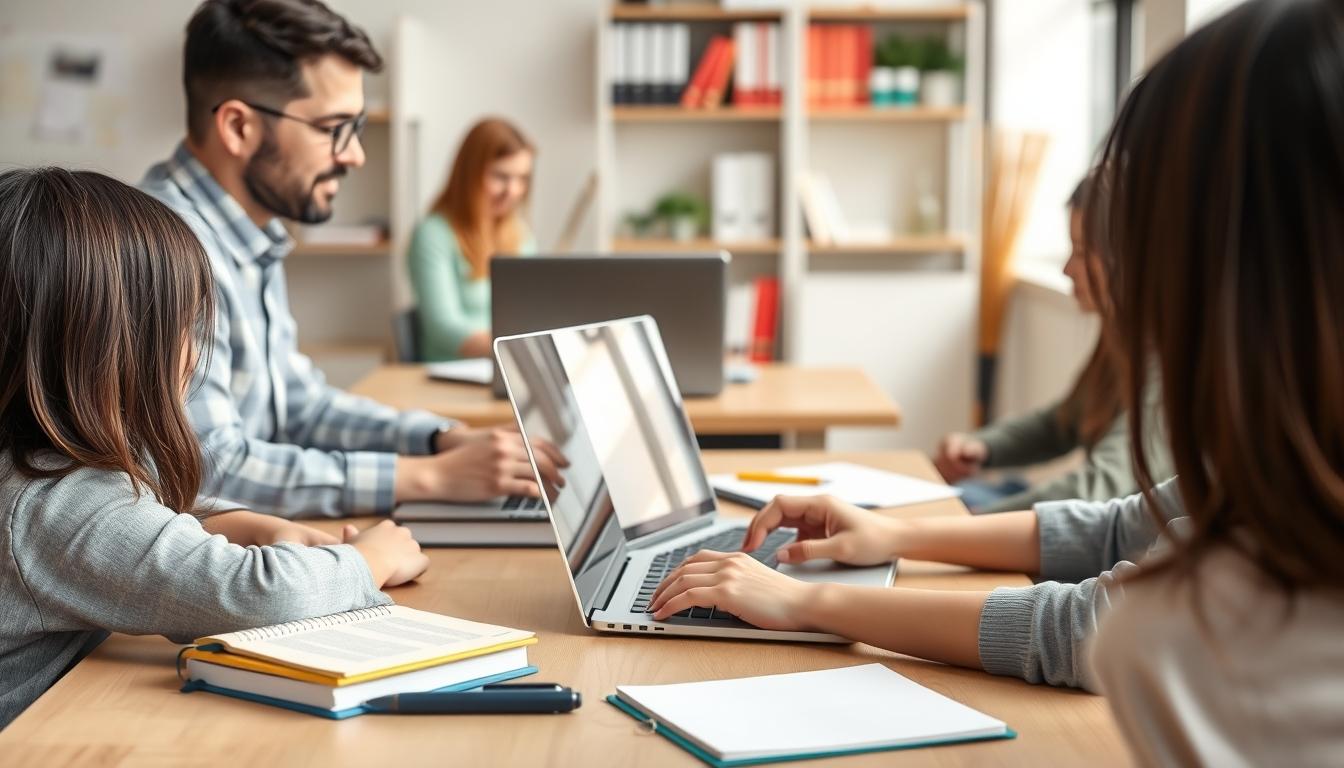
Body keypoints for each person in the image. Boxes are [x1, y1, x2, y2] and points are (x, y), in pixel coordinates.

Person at [655, 1, 1344, 762]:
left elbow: (1090, 623)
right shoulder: (1288, 456)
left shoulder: (1217, 598)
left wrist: (808, 601)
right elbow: (1124, 527)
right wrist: (893, 533)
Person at [0, 168, 428, 730]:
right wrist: (372, 558)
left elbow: (138, 523)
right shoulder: (59, 504)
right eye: (185, 326)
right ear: (118, 348)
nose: (195, 351)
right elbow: (260, 597)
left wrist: (243, 523)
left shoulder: (36, 464)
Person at [140, 0, 563, 518]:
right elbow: (206, 467)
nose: (355, 155)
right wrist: (425, 476)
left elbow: (301, 408)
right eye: (333, 127)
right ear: (239, 128)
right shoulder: (159, 249)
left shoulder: (253, 236)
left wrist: (438, 440)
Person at [933, 176, 1171, 514]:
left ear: (1132, 259)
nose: (1067, 269)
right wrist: (983, 447)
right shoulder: (1121, 334)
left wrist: (969, 528)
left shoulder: (1169, 362)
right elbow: (1061, 424)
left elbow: (1097, 488)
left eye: (1083, 253)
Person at [409, 118, 537, 361]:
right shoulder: (432, 235)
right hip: (456, 373)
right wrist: (514, 349)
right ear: (470, 175)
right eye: (501, 176)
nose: (513, 191)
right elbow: (444, 328)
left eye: (522, 178)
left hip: (505, 366)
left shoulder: (520, 234)